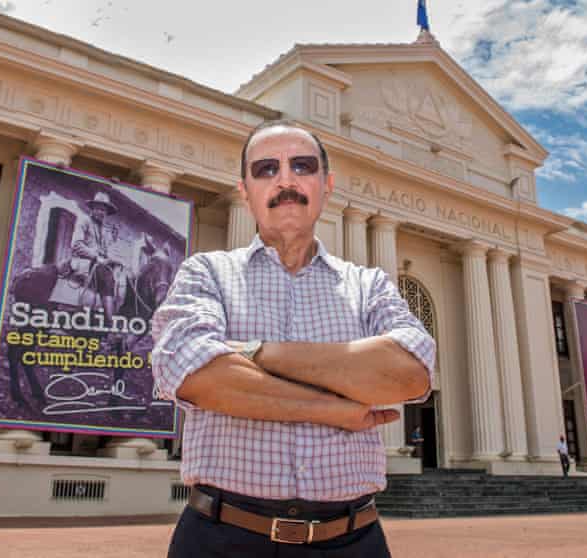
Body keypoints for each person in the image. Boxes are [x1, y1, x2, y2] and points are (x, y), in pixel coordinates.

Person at [151, 119, 436, 557]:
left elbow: (410, 376)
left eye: (302, 166)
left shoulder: (369, 286)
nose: (285, 180)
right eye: (266, 169)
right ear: (244, 190)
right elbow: (197, 377)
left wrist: (250, 352)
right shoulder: (206, 273)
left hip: (353, 541)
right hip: (221, 538)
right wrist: (335, 409)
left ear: (326, 184)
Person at [71, 191, 120, 323]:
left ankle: (111, 314)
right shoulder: (83, 221)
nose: (101, 212)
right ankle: (108, 321)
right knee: (105, 275)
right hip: (83, 261)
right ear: (92, 209)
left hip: (101, 264)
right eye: (98, 208)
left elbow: (108, 250)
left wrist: (114, 259)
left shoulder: (105, 230)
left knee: (119, 279)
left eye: (104, 210)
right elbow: (76, 244)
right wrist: (96, 257)